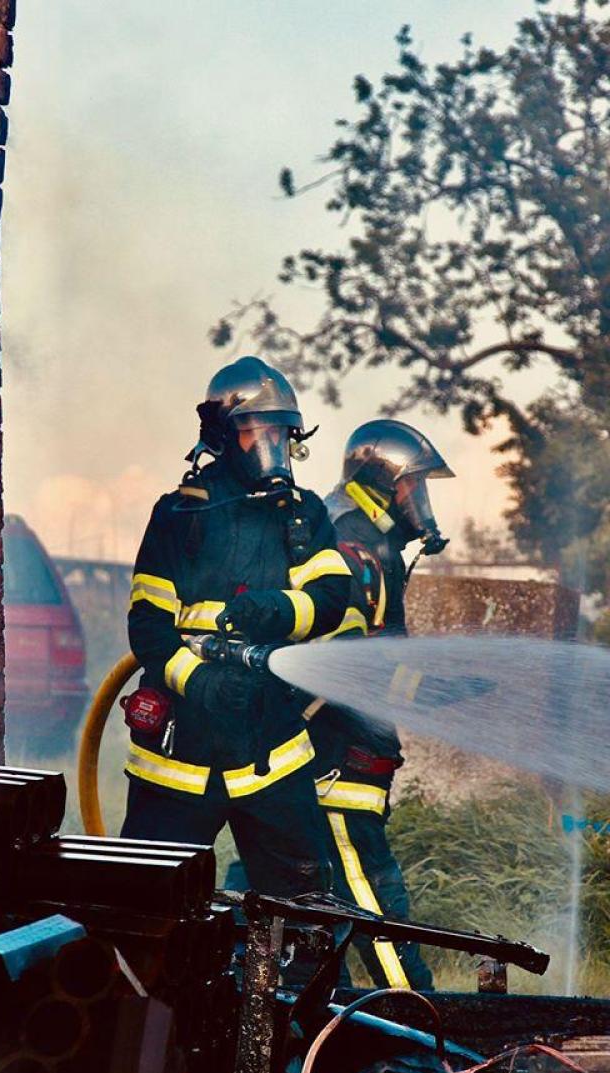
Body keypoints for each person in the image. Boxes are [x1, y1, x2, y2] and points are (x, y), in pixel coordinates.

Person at [121, 356, 352, 899]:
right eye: (256, 431)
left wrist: (278, 608)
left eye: (280, 432)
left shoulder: (304, 516)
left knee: (307, 915)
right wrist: (200, 682)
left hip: (272, 751)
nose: (271, 445)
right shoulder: (180, 514)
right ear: (223, 434)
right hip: (177, 761)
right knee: (147, 912)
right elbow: (149, 627)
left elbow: (332, 598)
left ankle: (289, 987)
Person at [308, 418, 454, 990]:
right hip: (340, 753)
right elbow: (347, 664)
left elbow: (382, 651)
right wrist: (432, 694)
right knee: (371, 889)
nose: (420, 498)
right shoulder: (352, 541)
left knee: (300, 890)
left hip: (346, 748)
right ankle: (415, 1009)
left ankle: (315, 1007)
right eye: (412, 485)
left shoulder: (370, 537)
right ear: (383, 478)